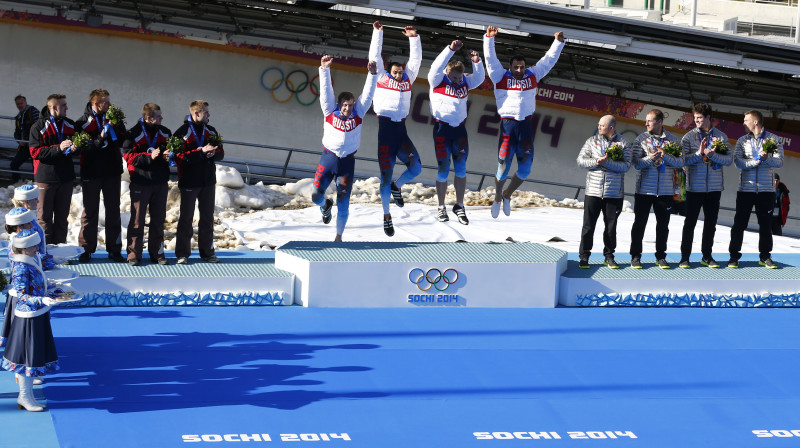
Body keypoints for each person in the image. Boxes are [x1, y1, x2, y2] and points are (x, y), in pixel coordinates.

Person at [484, 26, 565, 219]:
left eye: (521, 67)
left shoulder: (533, 75)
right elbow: (490, 60)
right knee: (502, 167)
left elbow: (548, 61)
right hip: (508, 128)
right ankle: (497, 196)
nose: (519, 70)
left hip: (526, 128)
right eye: (516, 67)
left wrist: (558, 42)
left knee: (525, 169)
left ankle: (507, 195)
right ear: (510, 67)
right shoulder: (499, 76)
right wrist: (489, 39)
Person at [312, 54, 378, 241]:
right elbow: (326, 92)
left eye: (350, 105)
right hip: (328, 159)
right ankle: (325, 206)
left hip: (347, 164)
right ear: (339, 105)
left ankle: (339, 236)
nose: (348, 108)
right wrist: (324, 69)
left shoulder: (359, 114)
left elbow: (368, 95)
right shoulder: (329, 111)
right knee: (316, 196)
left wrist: (372, 75)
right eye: (344, 105)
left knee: (344, 204)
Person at [368, 21, 422, 236]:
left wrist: (413, 37)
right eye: (396, 72)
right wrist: (377, 33)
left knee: (416, 167)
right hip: (385, 130)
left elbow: (416, 60)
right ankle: (386, 216)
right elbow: (374, 56)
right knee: (383, 177)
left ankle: (397, 187)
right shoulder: (381, 77)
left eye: (401, 72)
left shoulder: (408, 79)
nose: (399, 75)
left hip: (401, 131)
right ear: (389, 71)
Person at [1, 228, 64, 412]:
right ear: (25, 248)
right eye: (34, 244)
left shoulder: (32, 259)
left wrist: (52, 289)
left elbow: (36, 284)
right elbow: (21, 296)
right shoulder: (20, 266)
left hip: (37, 313)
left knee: (33, 356)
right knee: (27, 358)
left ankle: (27, 396)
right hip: (27, 317)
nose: (38, 246)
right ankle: (25, 396)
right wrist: (41, 299)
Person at [428, 39, 485, 224]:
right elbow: (435, 67)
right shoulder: (437, 80)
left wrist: (477, 61)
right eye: (453, 77)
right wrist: (450, 49)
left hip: (459, 131)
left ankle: (459, 206)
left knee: (461, 169)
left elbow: (480, 79)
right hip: (442, 130)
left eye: (459, 78)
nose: (456, 81)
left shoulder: (465, 82)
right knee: (443, 170)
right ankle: (441, 207)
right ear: (447, 73)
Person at [679, 103, 733, 268]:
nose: (696, 121)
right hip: (695, 187)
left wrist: (713, 155)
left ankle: (707, 256)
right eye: (695, 117)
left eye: (700, 118)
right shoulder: (688, 137)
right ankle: (684, 257)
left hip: (714, 188)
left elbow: (729, 160)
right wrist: (699, 154)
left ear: (709, 118)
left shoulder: (721, 137)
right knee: (690, 223)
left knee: (711, 224)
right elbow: (683, 161)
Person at [728, 110, 784, 268]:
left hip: (766, 190)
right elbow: (737, 162)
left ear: (755, 122)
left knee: (766, 225)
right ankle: (734, 256)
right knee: (739, 224)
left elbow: (780, 162)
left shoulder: (773, 139)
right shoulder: (741, 141)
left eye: (746, 120)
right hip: (746, 189)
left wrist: (767, 158)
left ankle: (765, 256)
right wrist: (755, 162)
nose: (743, 123)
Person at [75, 89, 126, 263]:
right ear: (96, 104)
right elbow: (85, 148)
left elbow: (123, 141)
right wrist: (101, 136)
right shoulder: (81, 123)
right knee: (90, 211)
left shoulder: (113, 119)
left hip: (112, 172)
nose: (110, 105)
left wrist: (116, 127)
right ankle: (86, 249)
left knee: (113, 210)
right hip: (92, 172)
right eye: (106, 102)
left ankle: (115, 249)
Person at [629, 109, 684, 269]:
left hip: (665, 191)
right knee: (639, 224)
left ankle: (661, 256)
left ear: (659, 122)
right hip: (644, 191)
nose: (646, 123)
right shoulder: (641, 139)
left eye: (650, 121)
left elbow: (680, 163)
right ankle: (635, 256)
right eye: (646, 121)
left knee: (663, 226)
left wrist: (664, 156)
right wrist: (650, 158)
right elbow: (636, 163)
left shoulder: (672, 140)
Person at [576, 115, 632, 269]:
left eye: (602, 125)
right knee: (588, 226)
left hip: (614, 193)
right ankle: (584, 255)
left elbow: (626, 166)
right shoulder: (591, 141)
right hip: (593, 191)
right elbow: (580, 161)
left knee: (611, 227)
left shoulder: (624, 143)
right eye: (599, 124)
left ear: (611, 127)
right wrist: (596, 162)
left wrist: (608, 163)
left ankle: (609, 256)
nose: (599, 127)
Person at [173, 100, 224, 264]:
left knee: (208, 218)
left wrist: (212, 154)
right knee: (186, 218)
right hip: (189, 181)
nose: (209, 115)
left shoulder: (211, 130)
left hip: (208, 181)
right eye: (206, 113)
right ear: (196, 113)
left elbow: (221, 153)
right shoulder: (182, 132)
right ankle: (182, 253)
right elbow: (178, 157)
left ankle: (207, 252)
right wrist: (201, 152)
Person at [122, 103, 172, 266]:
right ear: (148, 118)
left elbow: (171, 154)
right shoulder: (133, 133)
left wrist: (168, 156)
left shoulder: (165, 132)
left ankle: (157, 253)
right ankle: (133, 254)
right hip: (141, 182)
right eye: (158, 116)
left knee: (158, 219)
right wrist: (149, 156)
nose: (162, 119)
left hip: (160, 183)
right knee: (137, 220)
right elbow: (129, 157)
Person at [29, 94, 77, 245]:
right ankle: (45, 251)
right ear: (54, 107)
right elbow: (35, 152)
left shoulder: (70, 124)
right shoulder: (38, 127)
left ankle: (60, 250)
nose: (67, 108)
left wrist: (77, 148)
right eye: (64, 105)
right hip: (45, 178)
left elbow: (79, 149)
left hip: (66, 178)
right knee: (44, 218)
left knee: (62, 218)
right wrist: (58, 148)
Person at [11, 95, 39, 183]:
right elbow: (16, 132)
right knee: (14, 164)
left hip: (35, 145)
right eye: (18, 104)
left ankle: (37, 185)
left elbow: (40, 127)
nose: (20, 105)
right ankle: (17, 183)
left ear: (26, 103)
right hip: (24, 146)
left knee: (36, 167)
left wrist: (33, 140)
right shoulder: (19, 116)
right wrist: (19, 141)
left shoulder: (33, 112)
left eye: (21, 103)